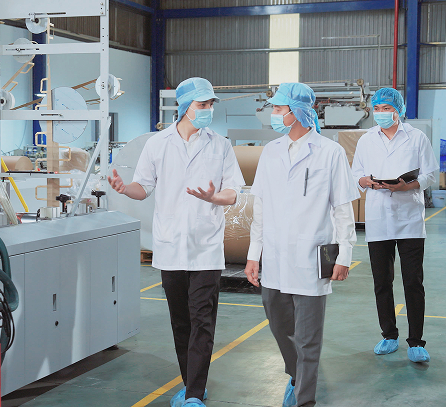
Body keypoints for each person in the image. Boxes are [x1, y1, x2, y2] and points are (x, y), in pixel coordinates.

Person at [108, 77, 244, 407]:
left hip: (206, 246)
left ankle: (194, 393)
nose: (208, 110)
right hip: (170, 246)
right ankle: (191, 382)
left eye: (210, 104)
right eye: (202, 104)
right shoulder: (158, 144)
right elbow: (143, 187)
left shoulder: (220, 145)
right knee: (181, 321)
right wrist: (125, 189)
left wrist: (214, 197)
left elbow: (233, 192)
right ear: (184, 107)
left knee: (202, 320)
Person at [244, 83, 359, 407]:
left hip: (312, 257)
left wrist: (345, 255)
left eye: (278, 109)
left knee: (309, 339)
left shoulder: (330, 152)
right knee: (280, 326)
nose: (274, 114)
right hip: (275, 256)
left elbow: (342, 209)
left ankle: (304, 400)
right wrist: (254, 255)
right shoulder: (271, 151)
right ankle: (296, 375)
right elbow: (260, 207)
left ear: (296, 112)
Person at [351, 87, 439, 363]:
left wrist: (408, 186)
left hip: (409, 217)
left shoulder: (417, 137)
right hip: (378, 218)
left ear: (398, 110)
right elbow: (356, 173)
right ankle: (389, 335)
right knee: (382, 282)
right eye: (377, 108)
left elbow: (431, 173)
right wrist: (366, 181)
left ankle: (416, 341)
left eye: (386, 109)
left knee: (413, 281)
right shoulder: (366, 139)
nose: (381, 113)